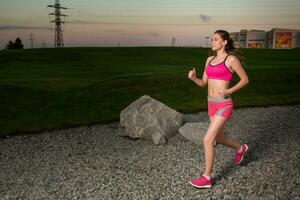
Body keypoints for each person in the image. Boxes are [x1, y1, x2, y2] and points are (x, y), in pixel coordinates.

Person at [187, 30, 249, 189]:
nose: (212, 42)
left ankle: (206, 177)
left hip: (224, 104)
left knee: (208, 139)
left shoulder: (231, 60)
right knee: (219, 138)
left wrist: (229, 91)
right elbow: (203, 83)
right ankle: (240, 148)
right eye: (212, 39)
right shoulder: (209, 60)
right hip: (211, 104)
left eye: (215, 39)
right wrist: (194, 78)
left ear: (225, 42)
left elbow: (245, 80)